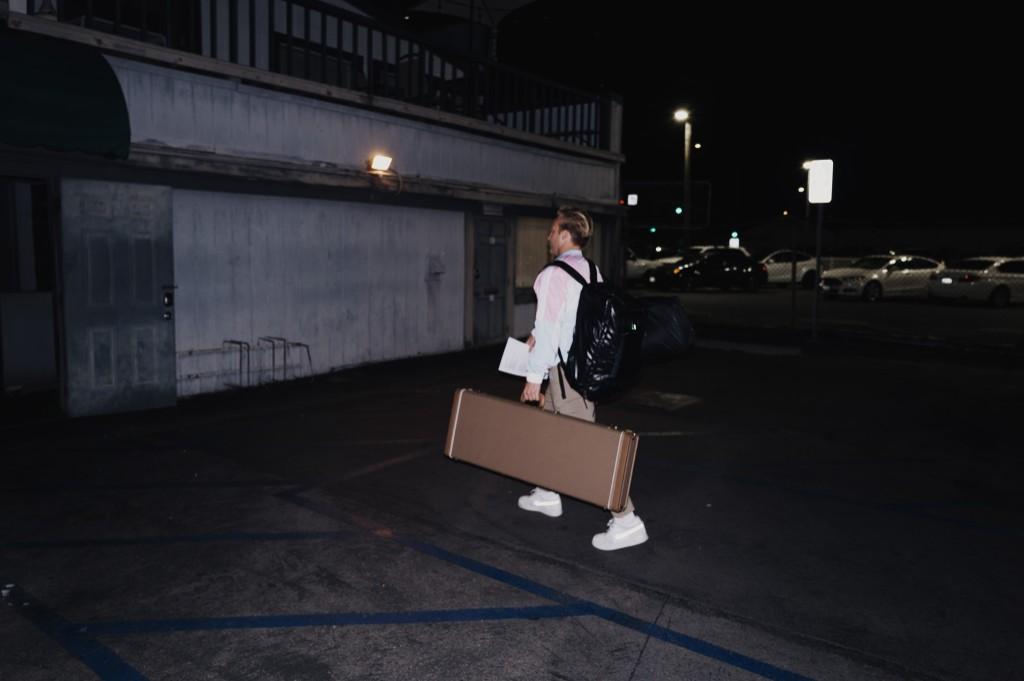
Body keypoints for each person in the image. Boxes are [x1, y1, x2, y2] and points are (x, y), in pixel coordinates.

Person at [518, 206, 648, 551]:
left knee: (587, 447)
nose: (548, 237)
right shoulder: (591, 270)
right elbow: (572, 319)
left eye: (552, 230)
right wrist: (534, 336)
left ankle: (626, 519)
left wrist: (534, 376)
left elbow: (550, 328)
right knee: (548, 429)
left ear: (564, 234)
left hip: (564, 375)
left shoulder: (552, 275)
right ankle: (547, 492)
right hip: (586, 368)